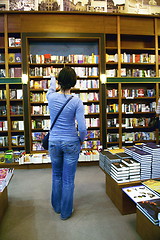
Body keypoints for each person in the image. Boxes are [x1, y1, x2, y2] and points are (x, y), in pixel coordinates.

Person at [46, 66, 87, 220]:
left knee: (56, 175)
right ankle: (65, 212)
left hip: (54, 141)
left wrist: (52, 78)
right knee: (68, 179)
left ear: (59, 82)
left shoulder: (51, 97)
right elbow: (82, 128)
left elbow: (50, 89)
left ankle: (56, 207)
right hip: (71, 142)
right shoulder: (77, 101)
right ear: (74, 83)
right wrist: (81, 140)